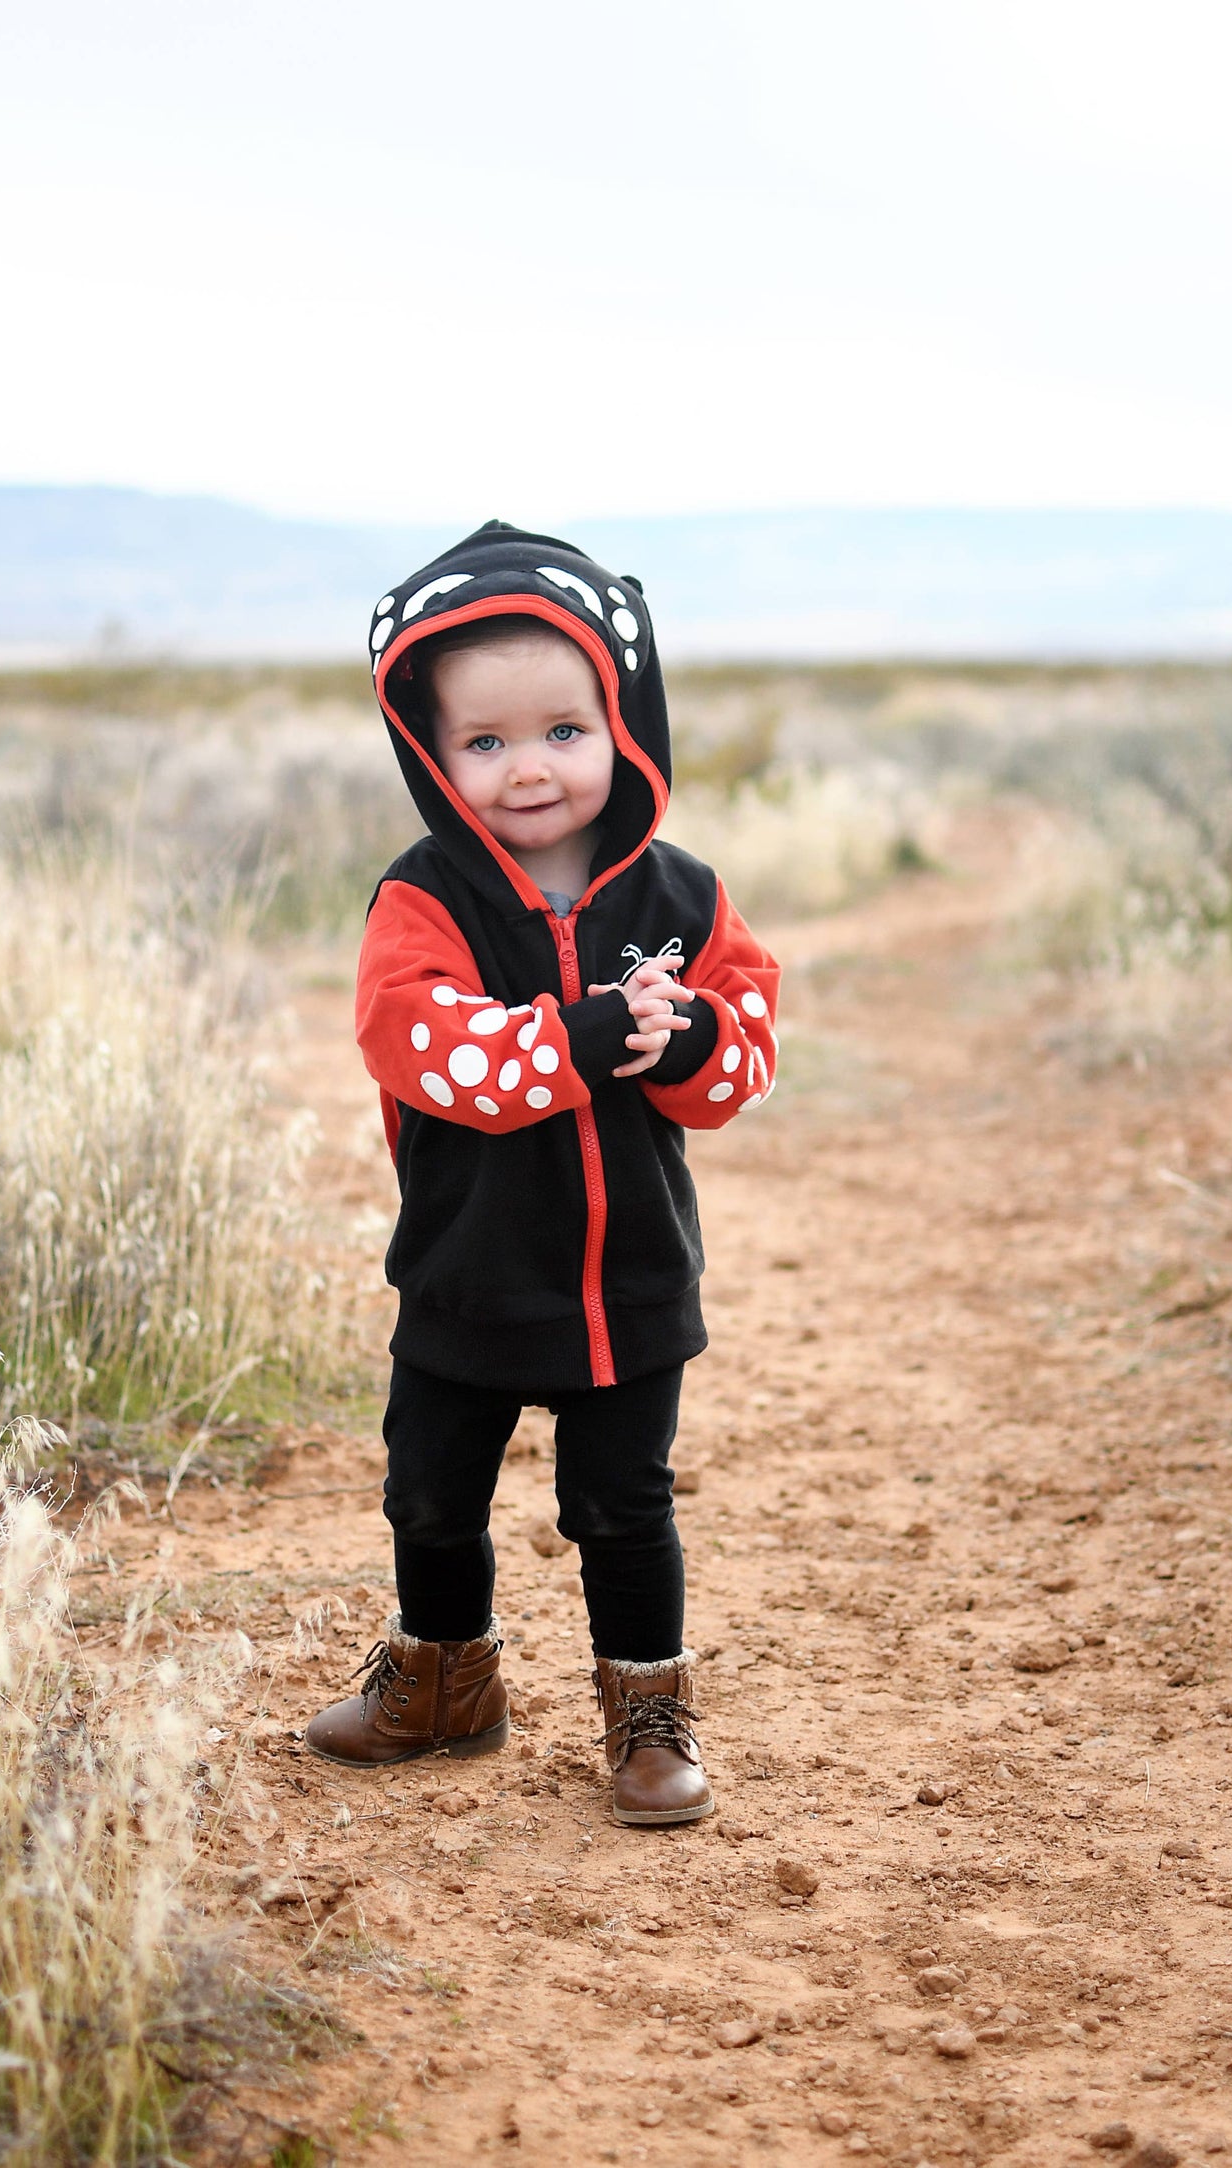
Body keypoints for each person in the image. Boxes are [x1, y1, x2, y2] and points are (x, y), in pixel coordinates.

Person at [304, 521, 780, 1826]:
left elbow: (738, 1067)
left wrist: (687, 1032)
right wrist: (574, 1037)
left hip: (629, 1282)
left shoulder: (680, 894)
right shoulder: (422, 900)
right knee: (427, 1493)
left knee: (622, 1507)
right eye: (485, 741)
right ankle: (443, 1684)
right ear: (431, 752)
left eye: (563, 731)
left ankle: (644, 1718)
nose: (527, 768)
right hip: (465, 1275)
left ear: (623, 723)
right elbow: (422, 1052)